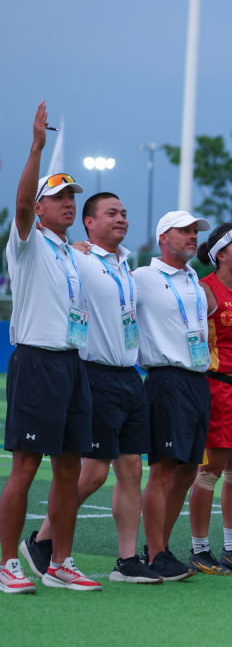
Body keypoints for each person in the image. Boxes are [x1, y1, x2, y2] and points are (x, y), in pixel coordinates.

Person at [24, 192, 160, 585]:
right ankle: (42, 539)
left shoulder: (125, 264)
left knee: (131, 468)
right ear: (89, 222)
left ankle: (127, 560)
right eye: (111, 213)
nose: (121, 219)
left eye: (124, 213)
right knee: (94, 473)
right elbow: (44, 249)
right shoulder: (77, 258)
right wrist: (71, 246)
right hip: (94, 373)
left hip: (129, 375)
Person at [0, 102, 100, 593]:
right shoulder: (27, 242)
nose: (68, 203)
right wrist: (36, 147)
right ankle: (5, 563)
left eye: (71, 197)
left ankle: (60, 561)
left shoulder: (69, 252)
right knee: (25, 467)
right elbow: (20, 206)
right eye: (58, 197)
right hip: (37, 361)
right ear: (38, 208)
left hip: (71, 364)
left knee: (69, 468)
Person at [134, 210, 211, 581]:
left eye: (195, 231)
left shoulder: (193, 277)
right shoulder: (142, 278)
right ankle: (155, 553)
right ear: (163, 237)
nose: (193, 236)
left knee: (188, 470)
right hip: (165, 379)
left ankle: (160, 547)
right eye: (184, 231)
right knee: (164, 470)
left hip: (197, 380)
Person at [187, 224, 232, 574]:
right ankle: (200, 549)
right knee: (209, 472)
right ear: (220, 255)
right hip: (220, 390)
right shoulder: (205, 290)